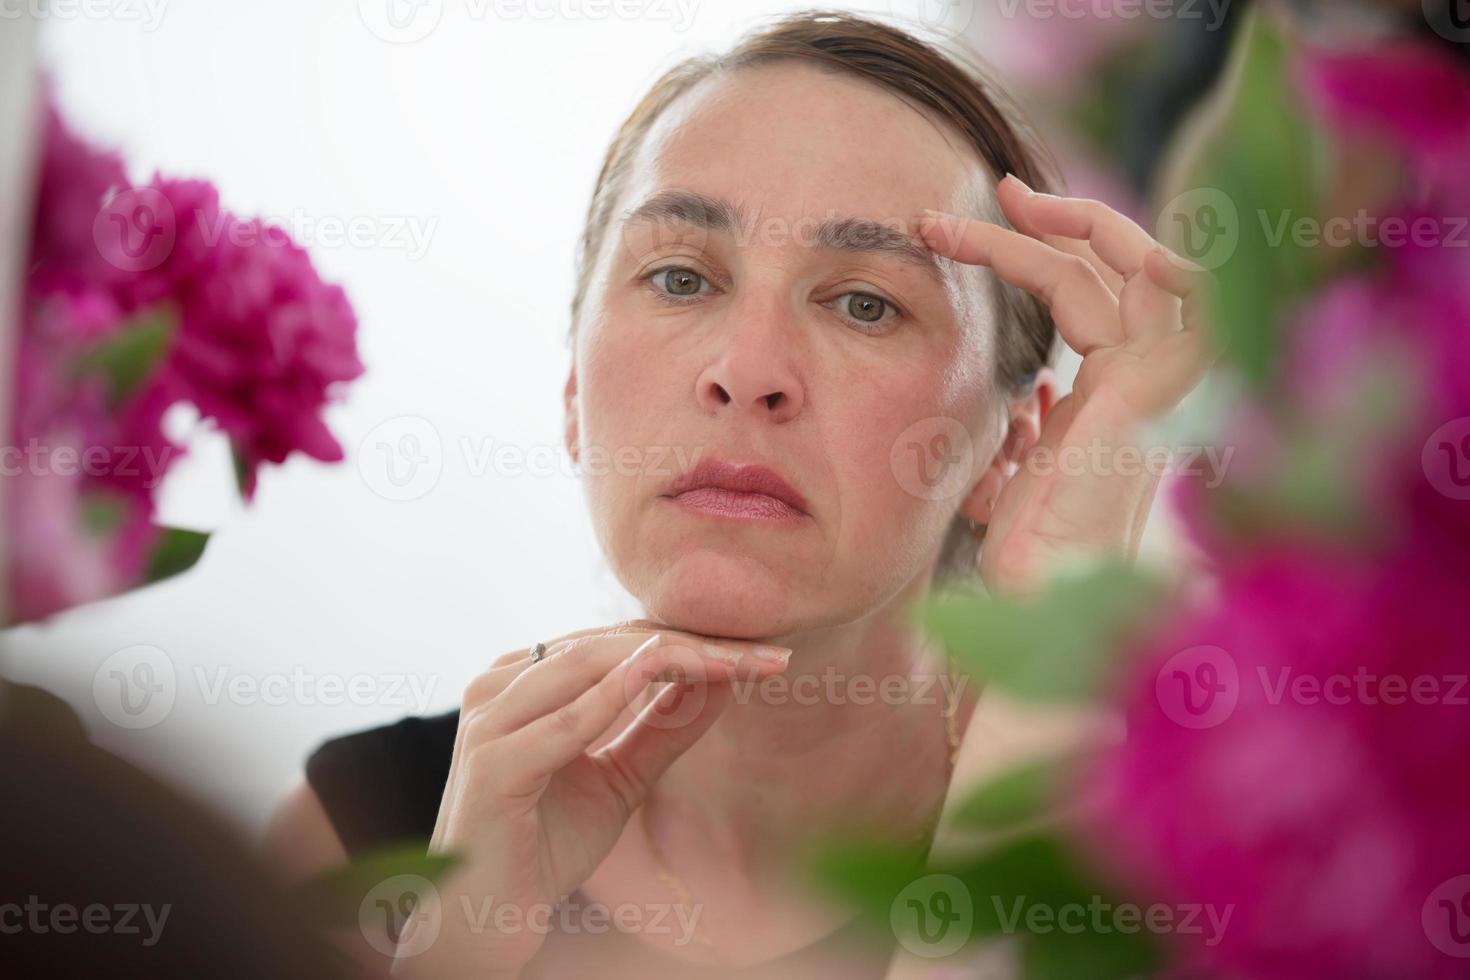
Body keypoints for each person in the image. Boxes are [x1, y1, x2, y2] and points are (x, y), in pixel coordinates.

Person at [263, 11, 1212, 978]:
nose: (748, 369)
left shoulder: (1190, 863)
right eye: (680, 278)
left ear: (1007, 451)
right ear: (575, 396)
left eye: (865, 303)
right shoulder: (361, 841)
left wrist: (1050, 638)